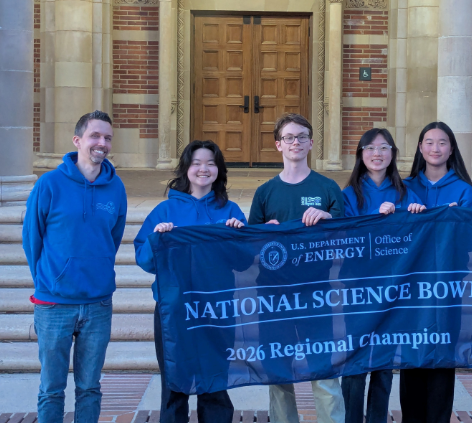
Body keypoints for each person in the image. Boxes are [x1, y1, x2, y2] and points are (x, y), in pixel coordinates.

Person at [22, 110, 127, 423]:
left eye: (107, 138)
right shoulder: (50, 184)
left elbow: (113, 237)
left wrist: (97, 268)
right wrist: (50, 280)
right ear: (77, 140)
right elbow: (32, 239)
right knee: (52, 388)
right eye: (95, 136)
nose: (102, 143)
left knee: (90, 388)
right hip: (55, 304)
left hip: (97, 303)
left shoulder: (116, 187)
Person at [134, 140, 246, 423]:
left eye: (210, 163)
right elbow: (146, 260)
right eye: (196, 163)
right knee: (174, 384)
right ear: (186, 169)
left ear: (218, 170)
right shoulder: (165, 211)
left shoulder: (230, 210)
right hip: (175, 310)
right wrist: (156, 238)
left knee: (216, 382)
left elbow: (244, 262)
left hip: (216, 310)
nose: (203, 169)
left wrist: (238, 236)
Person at [249, 113, 346, 423]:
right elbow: (250, 248)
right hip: (274, 295)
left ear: (312, 143)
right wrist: (266, 233)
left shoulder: (328, 188)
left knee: (325, 371)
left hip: (315, 294)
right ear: (278, 145)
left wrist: (329, 219)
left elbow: (348, 239)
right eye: (289, 137)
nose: (296, 142)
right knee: (278, 373)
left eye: (302, 136)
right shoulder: (265, 192)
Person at [340, 128, 424, 423]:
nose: (377, 154)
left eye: (384, 147)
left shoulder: (405, 192)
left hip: (393, 290)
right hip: (358, 289)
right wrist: (378, 217)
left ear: (393, 154)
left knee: (384, 363)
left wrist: (414, 213)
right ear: (361, 155)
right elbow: (345, 237)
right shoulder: (349, 194)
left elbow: (416, 236)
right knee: (356, 360)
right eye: (371, 148)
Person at [400, 121, 472, 423]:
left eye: (442, 142)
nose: (435, 148)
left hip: (447, 289)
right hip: (412, 290)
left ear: (451, 149)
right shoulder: (405, 187)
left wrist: (454, 219)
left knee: (443, 357)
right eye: (429, 142)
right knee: (412, 358)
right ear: (420, 148)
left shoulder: (463, 190)